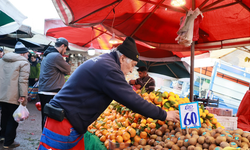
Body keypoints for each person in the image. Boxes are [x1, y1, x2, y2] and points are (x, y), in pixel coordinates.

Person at [37, 37, 179, 150]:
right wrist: (164, 114)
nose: (131, 71)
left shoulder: (106, 62)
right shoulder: (109, 69)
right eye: (132, 66)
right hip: (63, 123)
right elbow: (132, 100)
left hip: (70, 121)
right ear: (122, 58)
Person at [0, 42, 30, 149]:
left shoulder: (2, 60)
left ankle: (2, 136)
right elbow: (23, 81)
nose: (28, 55)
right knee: (13, 119)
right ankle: (8, 142)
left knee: (4, 116)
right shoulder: (24, 63)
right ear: (22, 54)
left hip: (2, 94)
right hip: (14, 95)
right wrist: (23, 95)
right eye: (27, 53)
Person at [38, 37, 71, 130]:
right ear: (62, 46)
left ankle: (44, 139)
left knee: (45, 117)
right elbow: (68, 69)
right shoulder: (56, 56)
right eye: (65, 49)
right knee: (50, 118)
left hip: (44, 90)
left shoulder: (47, 55)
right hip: (51, 91)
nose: (65, 52)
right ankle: (47, 140)